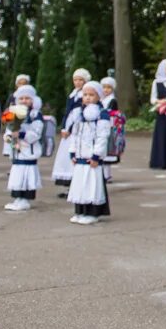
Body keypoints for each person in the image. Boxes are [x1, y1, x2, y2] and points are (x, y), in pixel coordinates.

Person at [68, 81, 111, 225]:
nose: (87, 97)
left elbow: (102, 136)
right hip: (80, 157)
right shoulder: (78, 113)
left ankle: (93, 213)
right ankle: (80, 211)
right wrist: (72, 153)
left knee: (92, 184)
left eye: (91, 95)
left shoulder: (102, 114)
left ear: (98, 96)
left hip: (92, 158)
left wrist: (96, 155)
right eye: (85, 94)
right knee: (80, 185)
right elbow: (74, 134)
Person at [3, 85, 45, 212]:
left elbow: (36, 133)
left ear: (33, 100)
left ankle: (25, 199)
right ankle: (17, 198)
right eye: (21, 98)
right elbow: (8, 130)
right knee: (17, 174)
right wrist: (10, 138)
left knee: (27, 174)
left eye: (27, 98)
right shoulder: (12, 113)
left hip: (29, 149)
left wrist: (21, 134)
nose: (24, 101)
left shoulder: (35, 114)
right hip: (17, 150)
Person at [51, 68, 90, 198]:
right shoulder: (72, 94)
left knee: (74, 157)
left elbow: (79, 114)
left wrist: (70, 129)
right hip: (67, 130)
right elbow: (68, 113)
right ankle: (68, 187)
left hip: (76, 131)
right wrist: (63, 128)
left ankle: (76, 186)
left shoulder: (84, 96)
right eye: (75, 80)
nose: (77, 82)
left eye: (80, 80)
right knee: (65, 159)